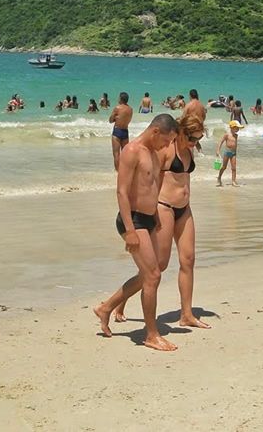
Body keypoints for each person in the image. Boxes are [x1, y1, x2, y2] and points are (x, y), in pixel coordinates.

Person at [112, 113, 210, 330]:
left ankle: (187, 314)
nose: (195, 143)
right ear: (181, 132)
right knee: (159, 265)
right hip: (164, 207)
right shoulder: (165, 148)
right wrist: (148, 216)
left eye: (198, 139)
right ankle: (120, 301)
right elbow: (149, 182)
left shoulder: (190, 149)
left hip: (184, 208)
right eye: (192, 138)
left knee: (188, 259)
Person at [93, 114, 179, 351]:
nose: (167, 146)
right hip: (132, 220)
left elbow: (151, 187)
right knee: (152, 276)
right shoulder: (132, 151)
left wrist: (156, 218)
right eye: (166, 140)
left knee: (148, 274)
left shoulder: (152, 153)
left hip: (148, 219)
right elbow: (121, 192)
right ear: (156, 132)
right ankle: (151, 335)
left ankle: (106, 307)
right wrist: (130, 230)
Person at [109, 92, 133, 170]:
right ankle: (125, 171)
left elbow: (110, 120)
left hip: (117, 131)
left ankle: (118, 172)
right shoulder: (130, 109)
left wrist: (115, 117)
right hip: (125, 131)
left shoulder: (117, 108)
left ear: (121, 99)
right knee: (125, 154)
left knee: (116, 154)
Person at [216, 120, 243, 187]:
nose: (238, 129)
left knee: (234, 168)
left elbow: (235, 144)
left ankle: (233, 181)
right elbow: (221, 142)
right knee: (224, 167)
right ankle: (219, 177)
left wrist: (235, 152)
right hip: (227, 152)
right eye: (236, 128)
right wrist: (218, 150)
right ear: (232, 127)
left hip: (233, 153)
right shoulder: (227, 135)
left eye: (238, 128)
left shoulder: (236, 135)